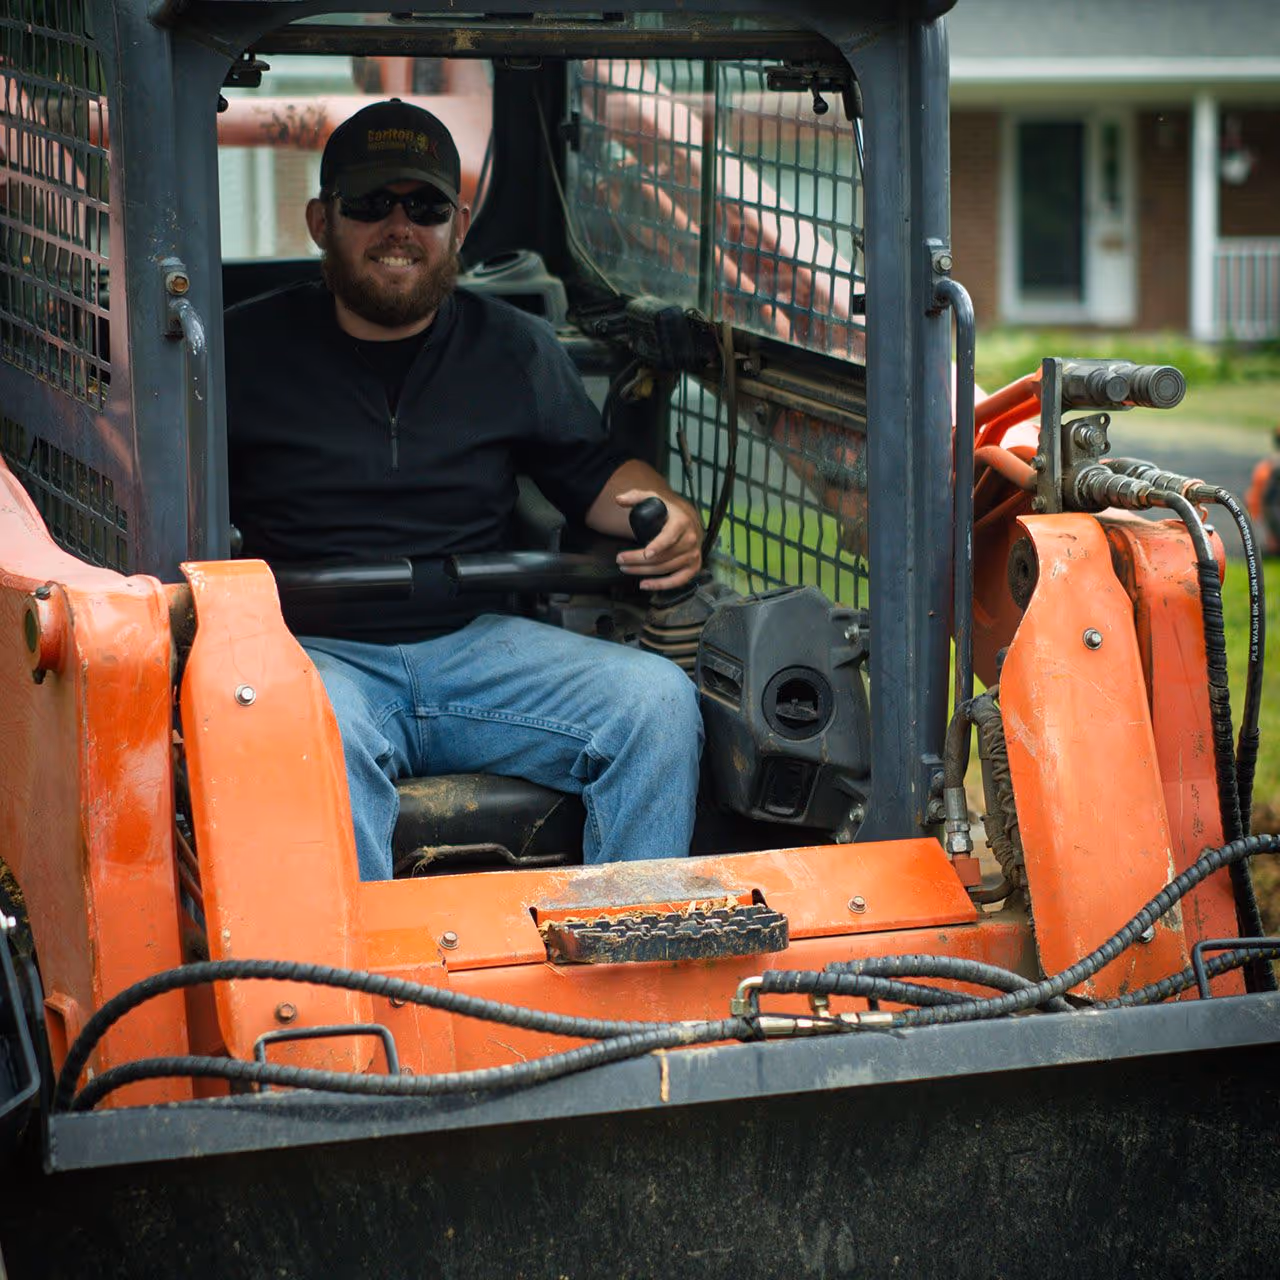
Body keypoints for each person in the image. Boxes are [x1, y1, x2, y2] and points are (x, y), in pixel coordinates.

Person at [224, 99, 705, 882]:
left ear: (460, 222)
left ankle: (622, 966)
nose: (399, 227)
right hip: (312, 653)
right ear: (321, 220)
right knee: (310, 733)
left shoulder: (515, 350)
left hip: (477, 646)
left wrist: (667, 516)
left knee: (654, 700)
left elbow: (596, 477)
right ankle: (359, 996)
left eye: (425, 206)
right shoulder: (239, 351)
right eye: (370, 204)